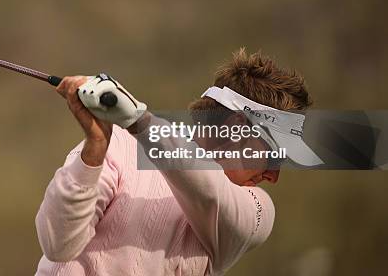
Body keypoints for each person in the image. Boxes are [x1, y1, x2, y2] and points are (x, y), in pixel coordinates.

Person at [35, 49, 313, 275]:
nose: (272, 176)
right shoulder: (118, 145)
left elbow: (209, 188)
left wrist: (138, 121)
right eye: (273, 157)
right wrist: (94, 151)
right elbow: (58, 246)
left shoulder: (257, 209)